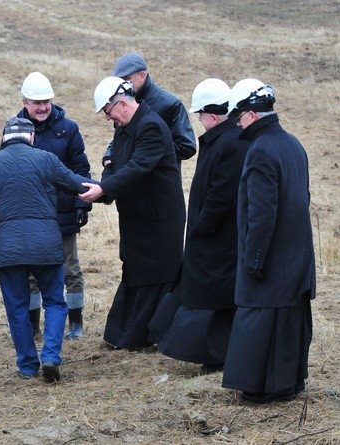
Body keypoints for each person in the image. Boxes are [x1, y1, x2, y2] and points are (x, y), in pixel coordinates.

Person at [0, 117, 93, 382]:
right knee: (56, 301)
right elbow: (76, 183)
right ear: (32, 138)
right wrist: (104, 188)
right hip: (46, 245)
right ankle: (50, 356)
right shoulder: (45, 159)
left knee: (17, 308)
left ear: (3, 139)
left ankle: (27, 365)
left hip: (8, 250)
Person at [221, 79, 315, 403]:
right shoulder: (292, 144)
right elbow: (303, 197)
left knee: (260, 320)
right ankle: (286, 384)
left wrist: (254, 259)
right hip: (296, 256)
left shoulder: (260, 150)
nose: (236, 123)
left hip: (272, 258)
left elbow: (262, 213)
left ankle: (259, 389)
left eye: (238, 116)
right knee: (286, 324)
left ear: (249, 114)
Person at [149, 79, 248, 373]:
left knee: (213, 302)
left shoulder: (228, 143)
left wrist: (202, 226)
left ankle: (215, 355)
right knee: (207, 299)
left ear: (212, 116)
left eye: (200, 115)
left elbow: (221, 195)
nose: (199, 121)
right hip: (211, 240)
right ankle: (211, 355)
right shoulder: (224, 139)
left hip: (217, 242)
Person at [80, 77, 185, 351]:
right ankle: (124, 333)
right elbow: (115, 163)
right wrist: (104, 180)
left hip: (158, 219)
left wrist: (103, 189)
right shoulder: (125, 127)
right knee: (135, 271)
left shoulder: (151, 126)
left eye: (108, 111)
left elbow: (138, 167)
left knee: (155, 275)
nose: (108, 118)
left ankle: (147, 335)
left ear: (123, 104)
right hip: (138, 217)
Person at [17, 72, 92, 340]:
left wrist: (81, 203)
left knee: (70, 269)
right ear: (24, 102)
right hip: (30, 216)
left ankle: (75, 324)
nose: (42, 107)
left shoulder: (68, 129)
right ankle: (33, 327)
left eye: (46, 101)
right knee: (31, 275)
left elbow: (80, 168)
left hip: (63, 212)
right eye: (36, 102)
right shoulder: (14, 130)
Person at [102, 53, 196, 169]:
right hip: (126, 177)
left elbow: (187, 147)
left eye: (126, 79)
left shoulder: (170, 104)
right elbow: (120, 137)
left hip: (158, 180)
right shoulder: (121, 102)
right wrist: (108, 156)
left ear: (142, 76)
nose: (122, 85)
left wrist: (148, 151)